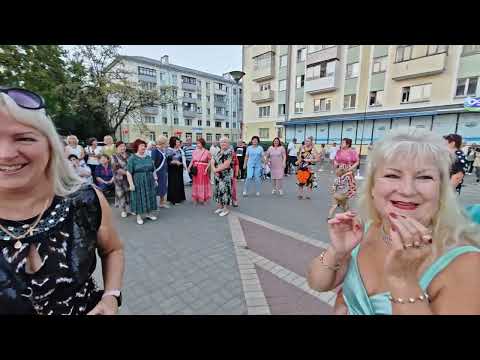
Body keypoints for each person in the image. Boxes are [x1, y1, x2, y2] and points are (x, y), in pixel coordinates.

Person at [307, 128, 480, 315]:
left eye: (424, 177)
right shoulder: (366, 228)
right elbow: (317, 283)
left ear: (441, 190)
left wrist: (404, 281)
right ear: (372, 187)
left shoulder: (467, 264)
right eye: (392, 175)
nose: (407, 190)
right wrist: (337, 251)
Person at [0, 87, 124, 315]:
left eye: (24, 138)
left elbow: (113, 250)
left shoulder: (85, 202)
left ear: (50, 145)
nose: (5, 153)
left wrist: (111, 296)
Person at [126, 139, 157, 225]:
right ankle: (139, 216)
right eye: (141, 146)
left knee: (150, 195)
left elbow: (153, 169)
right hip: (138, 181)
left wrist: (155, 179)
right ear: (137, 147)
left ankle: (149, 214)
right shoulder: (132, 158)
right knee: (139, 197)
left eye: (144, 146)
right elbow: (128, 172)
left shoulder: (148, 157)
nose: (144, 147)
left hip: (149, 180)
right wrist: (131, 184)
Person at [212, 137, 233, 217]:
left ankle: (225, 209)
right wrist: (215, 170)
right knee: (218, 190)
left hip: (225, 176)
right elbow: (212, 160)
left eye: (225, 142)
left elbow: (226, 165)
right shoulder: (218, 152)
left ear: (228, 143)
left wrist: (215, 170)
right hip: (217, 176)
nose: (223, 143)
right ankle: (220, 207)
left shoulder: (229, 152)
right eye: (221, 142)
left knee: (225, 192)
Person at [188, 137, 212, 205]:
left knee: (203, 183)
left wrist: (206, 169)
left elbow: (210, 161)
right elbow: (192, 160)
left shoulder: (207, 152)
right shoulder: (195, 151)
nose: (197, 145)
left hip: (203, 169)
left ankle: (203, 198)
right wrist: (189, 167)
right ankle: (196, 198)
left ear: (202, 144)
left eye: (199, 143)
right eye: (197, 143)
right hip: (196, 169)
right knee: (196, 183)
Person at [111, 141, 131, 218]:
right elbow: (116, 168)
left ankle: (131, 208)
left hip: (130, 178)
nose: (123, 148)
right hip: (120, 179)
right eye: (120, 146)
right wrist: (128, 173)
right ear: (117, 148)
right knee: (121, 194)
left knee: (130, 193)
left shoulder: (130, 155)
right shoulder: (114, 156)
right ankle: (123, 210)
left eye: (124, 146)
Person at [166, 136, 186, 205]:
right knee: (174, 184)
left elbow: (181, 158)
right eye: (177, 142)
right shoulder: (169, 150)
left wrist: (183, 164)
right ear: (174, 143)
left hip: (179, 168)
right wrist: (175, 162)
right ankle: (174, 200)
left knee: (179, 183)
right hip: (173, 169)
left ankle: (180, 198)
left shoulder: (179, 150)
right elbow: (168, 161)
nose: (179, 143)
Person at [151, 136, 169, 209]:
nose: (166, 144)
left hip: (163, 172)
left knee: (163, 188)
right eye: (165, 143)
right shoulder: (155, 150)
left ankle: (162, 203)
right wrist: (154, 174)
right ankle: (153, 205)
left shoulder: (162, 150)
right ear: (162, 143)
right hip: (157, 173)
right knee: (155, 189)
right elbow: (152, 163)